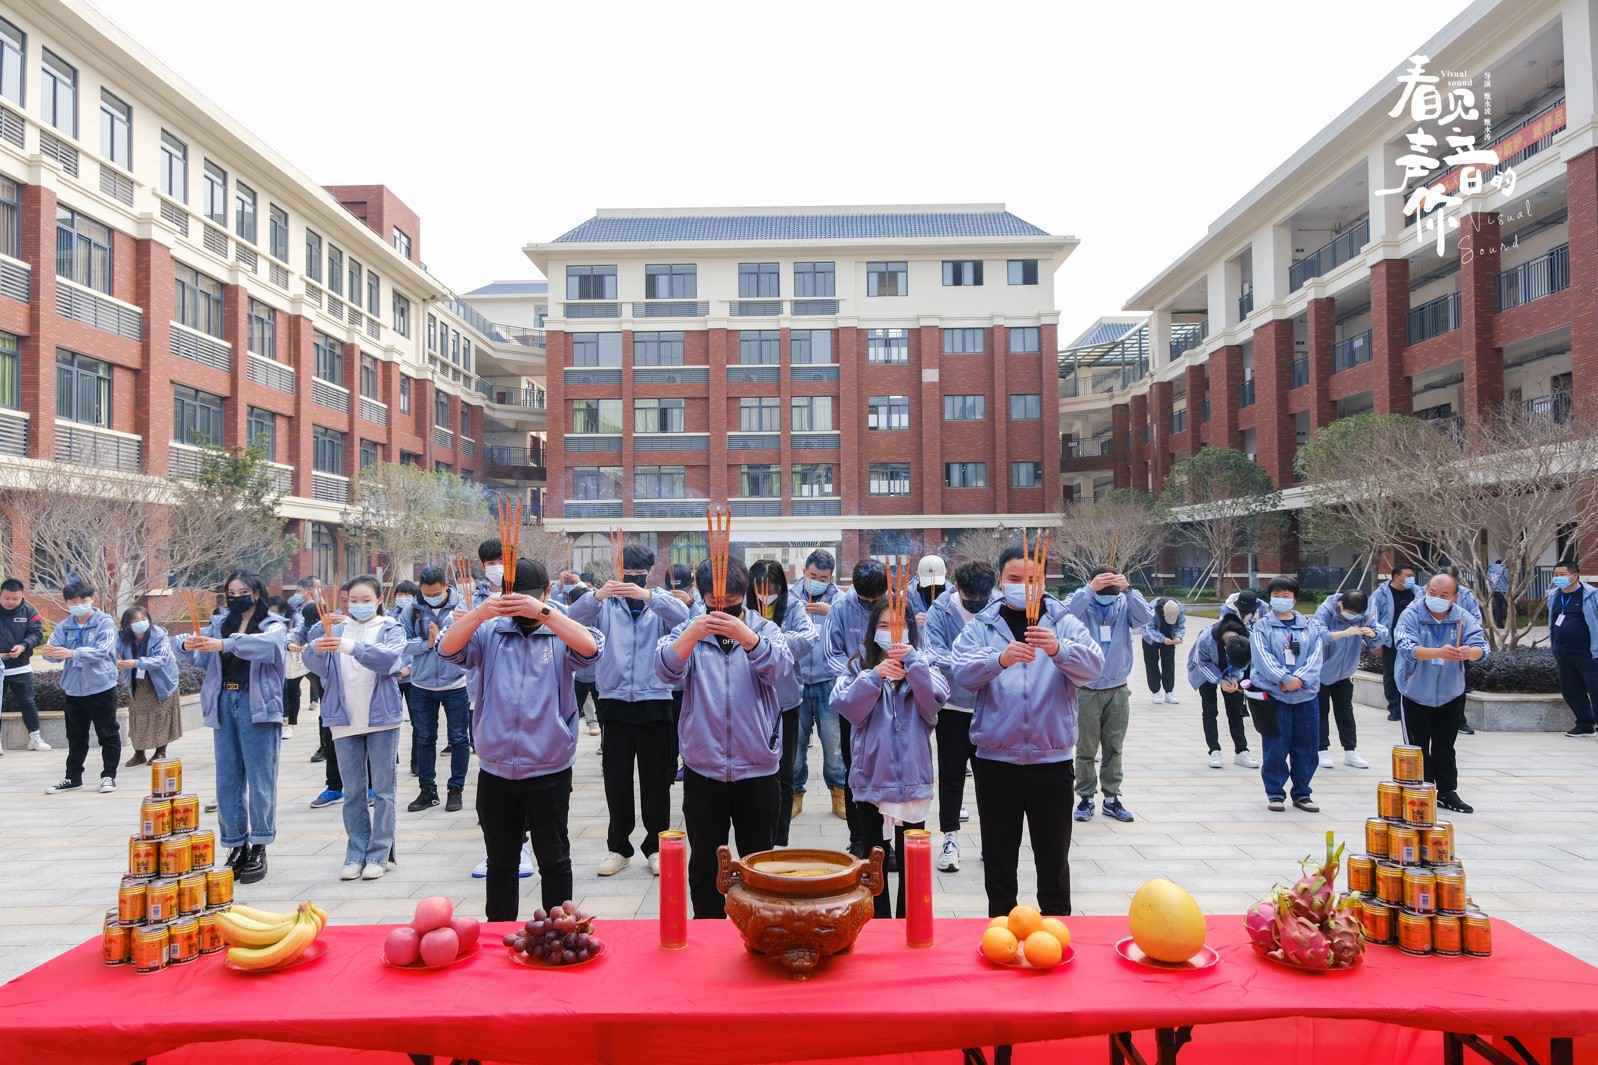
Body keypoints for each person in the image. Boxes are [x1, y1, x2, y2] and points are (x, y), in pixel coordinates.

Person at [441, 559, 601, 918]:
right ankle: (499, 936)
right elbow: (447, 650)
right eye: (516, 600)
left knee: (554, 859)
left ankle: (561, 933)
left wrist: (544, 612)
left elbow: (590, 649)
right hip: (496, 769)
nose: (522, 608)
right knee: (501, 862)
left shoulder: (560, 629)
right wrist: (480, 614)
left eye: (530, 598)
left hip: (550, 767)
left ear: (546, 592)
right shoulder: (491, 631)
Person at [951, 544, 1104, 916]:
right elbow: (960, 673)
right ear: (1000, 581)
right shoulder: (984, 625)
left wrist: (1059, 650)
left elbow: (1093, 667)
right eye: (1014, 579)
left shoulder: (1063, 621)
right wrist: (998, 659)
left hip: (1050, 762)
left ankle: (1055, 933)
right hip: (995, 761)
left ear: (1044, 580)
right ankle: (1000, 933)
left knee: (1053, 861)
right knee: (999, 862)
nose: (1023, 586)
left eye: (1032, 579)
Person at [658, 556, 793, 919]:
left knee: (758, 859)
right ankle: (707, 927)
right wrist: (693, 633)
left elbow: (780, 669)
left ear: (744, 595)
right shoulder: (691, 631)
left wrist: (747, 638)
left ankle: (760, 925)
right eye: (715, 604)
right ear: (702, 597)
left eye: (732, 603)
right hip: (705, 769)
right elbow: (665, 670)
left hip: (758, 768)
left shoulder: (765, 629)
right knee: (704, 860)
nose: (724, 613)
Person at [567, 543, 691, 877]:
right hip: (614, 700)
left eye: (639, 571)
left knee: (657, 781)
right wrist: (598, 595)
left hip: (656, 700)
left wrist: (650, 595)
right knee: (617, 779)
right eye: (627, 570)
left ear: (648, 571)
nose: (632, 576)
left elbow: (686, 619)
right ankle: (618, 847)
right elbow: (571, 620)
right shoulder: (605, 603)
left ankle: (656, 846)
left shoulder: (659, 601)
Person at [832, 601, 948, 917]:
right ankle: (876, 924)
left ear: (911, 629)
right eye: (883, 626)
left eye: (899, 625)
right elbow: (847, 707)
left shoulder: (925, 664)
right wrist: (874, 677)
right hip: (871, 779)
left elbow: (933, 706)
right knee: (874, 862)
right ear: (872, 631)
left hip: (912, 782)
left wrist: (913, 663)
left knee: (913, 865)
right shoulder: (859, 666)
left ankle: (910, 925)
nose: (891, 633)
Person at [176, 571, 288, 883]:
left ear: (256, 592)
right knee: (227, 779)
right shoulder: (218, 623)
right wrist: (187, 645)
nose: (235, 596)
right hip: (225, 701)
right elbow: (197, 657)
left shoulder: (272, 624)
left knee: (260, 778)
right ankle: (235, 845)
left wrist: (225, 644)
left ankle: (260, 845)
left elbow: (271, 648)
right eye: (230, 591)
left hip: (258, 705)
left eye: (242, 591)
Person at [303, 575, 406, 880]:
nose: (358, 605)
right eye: (353, 600)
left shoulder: (390, 628)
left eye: (365, 600)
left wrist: (351, 646)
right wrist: (316, 649)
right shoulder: (335, 629)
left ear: (378, 600)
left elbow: (389, 660)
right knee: (353, 792)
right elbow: (317, 665)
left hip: (382, 718)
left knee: (384, 790)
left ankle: (379, 853)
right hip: (343, 717)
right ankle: (355, 853)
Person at [1394, 573, 1488, 813]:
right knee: (1417, 747)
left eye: (1444, 595)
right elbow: (1405, 646)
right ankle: (1420, 791)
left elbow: (1482, 646)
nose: (1436, 598)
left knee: (1446, 745)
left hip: (1451, 692)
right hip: (1415, 691)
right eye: (1432, 593)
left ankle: (1446, 791)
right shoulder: (1412, 614)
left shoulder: (1462, 618)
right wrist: (1437, 652)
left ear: (1455, 597)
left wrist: (1470, 652)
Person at [1065, 567, 1152, 823]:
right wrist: (1089, 589)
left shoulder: (1124, 602)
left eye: (1112, 592)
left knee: (1114, 747)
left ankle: (1112, 797)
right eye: (1104, 591)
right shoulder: (1082, 601)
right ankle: (1085, 797)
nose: (1108, 596)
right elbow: (1063, 613)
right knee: (1085, 748)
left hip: (1117, 688)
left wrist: (1129, 589)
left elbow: (1145, 618)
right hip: (1086, 689)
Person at [923, 560, 995, 871]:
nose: (977, 602)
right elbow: (932, 653)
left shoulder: (998, 605)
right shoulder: (941, 610)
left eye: (982, 597)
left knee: (990, 780)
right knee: (951, 777)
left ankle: (992, 842)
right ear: (958, 588)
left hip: (992, 706)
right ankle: (949, 839)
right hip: (952, 707)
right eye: (971, 596)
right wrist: (977, 663)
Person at [747, 559, 819, 847]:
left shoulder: (793, 608)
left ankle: (779, 835)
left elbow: (808, 638)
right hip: (751, 701)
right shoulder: (744, 610)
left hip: (786, 701)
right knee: (756, 768)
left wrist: (767, 642)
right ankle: (756, 827)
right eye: (761, 588)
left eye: (773, 587)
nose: (767, 594)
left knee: (784, 771)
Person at [825, 559, 888, 854]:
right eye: (867, 600)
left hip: (890, 699)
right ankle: (859, 837)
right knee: (856, 769)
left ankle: (887, 840)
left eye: (877, 599)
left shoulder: (894, 606)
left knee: (888, 769)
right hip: (855, 700)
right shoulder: (840, 608)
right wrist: (859, 677)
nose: (873, 604)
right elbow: (831, 653)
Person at [1249, 577, 1326, 813]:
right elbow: (1262, 658)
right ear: (1270, 598)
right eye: (1278, 595)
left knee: (1307, 746)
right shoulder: (1262, 626)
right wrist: (1283, 678)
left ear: (1295, 598)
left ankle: (1303, 793)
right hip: (1275, 695)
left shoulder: (1309, 626)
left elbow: (1316, 656)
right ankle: (1275, 792)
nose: (1282, 599)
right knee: (1276, 745)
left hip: (1306, 695)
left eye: (1287, 595)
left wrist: (1299, 679)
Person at [398, 567, 471, 813]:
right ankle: (427, 790)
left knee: (459, 738)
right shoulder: (411, 610)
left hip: (456, 682)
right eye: (427, 593)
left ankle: (456, 789)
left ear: (446, 586)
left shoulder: (462, 606)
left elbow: (477, 637)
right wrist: (427, 644)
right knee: (424, 738)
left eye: (436, 593)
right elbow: (402, 645)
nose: (431, 597)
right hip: (422, 684)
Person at [41, 581, 120, 794]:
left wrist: (72, 653)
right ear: (66, 603)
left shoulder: (104, 622)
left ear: (92, 599)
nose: (79, 605)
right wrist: (53, 653)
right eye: (73, 602)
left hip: (101, 687)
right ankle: (72, 777)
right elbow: (50, 651)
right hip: (74, 690)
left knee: (108, 734)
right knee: (76, 736)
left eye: (83, 601)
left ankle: (108, 776)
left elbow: (102, 651)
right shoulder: (64, 626)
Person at [792, 549, 845, 822]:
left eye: (822, 577)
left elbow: (850, 632)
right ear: (804, 572)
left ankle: (839, 793)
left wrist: (832, 612)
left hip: (829, 682)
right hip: (797, 680)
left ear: (830, 577)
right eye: (813, 576)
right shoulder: (790, 596)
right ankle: (793, 795)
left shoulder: (840, 600)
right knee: (795, 746)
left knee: (834, 745)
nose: (816, 581)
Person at [1184, 591, 1261, 769]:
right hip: (1205, 671)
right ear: (1225, 648)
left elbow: (1244, 662)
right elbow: (1201, 663)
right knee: (1210, 710)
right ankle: (1214, 751)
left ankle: (1242, 752)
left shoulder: (1247, 637)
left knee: (1235, 709)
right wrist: (1220, 681)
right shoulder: (1206, 639)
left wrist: (1235, 679)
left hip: (1231, 672)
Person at [1312, 589, 1385, 769]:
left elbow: (1381, 635)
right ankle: (1321, 750)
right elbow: (1318, 635)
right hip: (1321, 672)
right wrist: (1345, 633)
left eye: (1356, 615)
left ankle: (1350, 751)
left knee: (1345, 711)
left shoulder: (1364, 614)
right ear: (1340, 605)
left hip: (1345, 672)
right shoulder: (1326, 610)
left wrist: (1373, 634)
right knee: (1321, 711)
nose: (1352, 617)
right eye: (1350, 613)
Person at [116, 607, 181, 766]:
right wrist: (115, 658)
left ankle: (160, 752)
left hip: (161, 681)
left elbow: (162, 659)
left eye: (143, 619)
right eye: (135, 621)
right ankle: (139, 753)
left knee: (161, 716)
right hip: (138, 682)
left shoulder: (159, 635)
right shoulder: (123, 637)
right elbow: (113, 653)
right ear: (127, 624)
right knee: (138, 717)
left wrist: (137, 662)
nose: (140, 623)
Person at [1546, 559, 1598, 738]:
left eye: (1562, 575)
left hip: (1588, 652)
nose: (1558, 578)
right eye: (1556, 575)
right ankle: (1585, 724)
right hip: (1563, 652)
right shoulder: (1554, 595)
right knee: (1570, 690)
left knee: (1595, 689)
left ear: (1575, 576)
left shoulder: (1591, 594)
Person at [0, 579, 48, 751]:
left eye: (15, 599)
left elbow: (37, 633)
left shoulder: (29, 610)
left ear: (21, 596)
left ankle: (35, 738)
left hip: (21, 666)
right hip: (0, 666)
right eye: (6, 598)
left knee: (28, 702)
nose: (10, 602)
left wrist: (23, 645)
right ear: (1, 594)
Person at [1372, 564, 1418, 722]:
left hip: (1413, 639)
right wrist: (1376, 641)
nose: (1412, 578)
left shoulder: (1416, 592)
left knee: (1412, 673)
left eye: (1412, 575)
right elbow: (1372, 617)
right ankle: (1395, 708)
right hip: (1390, 640)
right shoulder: (1381, 594)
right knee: (1391, 674)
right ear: (1397, 576)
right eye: (1408, 575)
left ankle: (1411, 707)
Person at [270, 597, 305, 741]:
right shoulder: (265, 619)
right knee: (280, 691)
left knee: (292, 691)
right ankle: (282, 720)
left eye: (274, 611)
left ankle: (290, 723)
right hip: (275, 659)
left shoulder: (295, 618)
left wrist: (288, 642)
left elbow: (297, 633)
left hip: (292, 658)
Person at [1141, 597, 1186, 704]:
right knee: (1152, 664)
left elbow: (1181, 626)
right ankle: (1156, 692)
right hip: (1150, 638)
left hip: (1169, 636)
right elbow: (1149, 628)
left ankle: (1169, 692)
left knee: (1169, 663)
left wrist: (1178, 637)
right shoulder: (1152, 609)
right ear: (1162, 611)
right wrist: (1162, 639)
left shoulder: (1179, 609)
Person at [910, 554, 946, 622]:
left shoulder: (952, 593)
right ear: (917, 575)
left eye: (936, 584)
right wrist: (911, 621)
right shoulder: (907, 594)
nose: (932, 586)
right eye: (928, 584)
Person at [1488, 559, 1509, 628]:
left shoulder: (1491, 569)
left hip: (1494, 590)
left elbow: (1488, 579)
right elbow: (1507, 578)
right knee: (1508, 606)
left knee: (1497, 607)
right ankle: (1509, 623)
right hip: (1503, 590)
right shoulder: (1504, 569)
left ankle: (1499, 624)